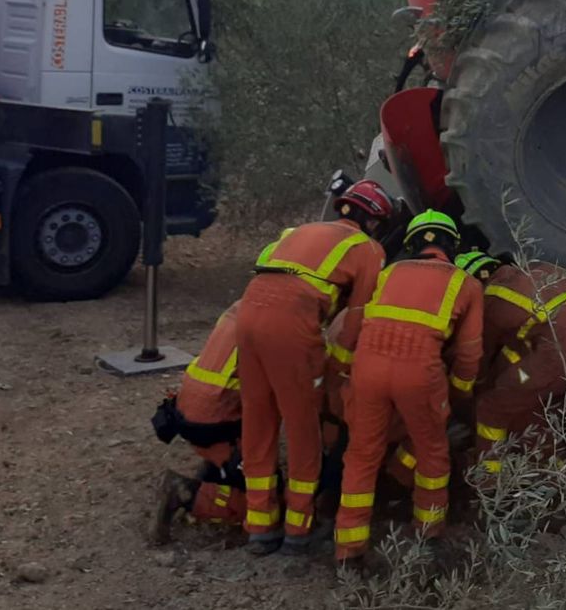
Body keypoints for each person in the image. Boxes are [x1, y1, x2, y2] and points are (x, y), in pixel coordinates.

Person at [235, 180, 399, 555]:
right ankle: (298, 530)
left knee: (257, 417)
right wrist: (337, 368)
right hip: (290, 319)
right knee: (302, 423)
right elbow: (357, 315)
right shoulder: (367, 249)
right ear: (373, 222)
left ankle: (259, 528)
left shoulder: (300, 230)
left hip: (249, 308)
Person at [334, 211, 485, 564]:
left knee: (361, 455)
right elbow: (469, 353)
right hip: (420, 371)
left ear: (413, 245)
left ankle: (348, 550)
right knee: (432, 452)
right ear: (452, 246)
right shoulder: (467, 284)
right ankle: (427, 538)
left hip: (367, 366)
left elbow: (358, 319)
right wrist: (459, 393)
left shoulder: (390, 273)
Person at [459, 253, 566, 489]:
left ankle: (490, 482)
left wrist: (471, 387)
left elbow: (481, 351)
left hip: (559, 356)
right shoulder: (541, 269)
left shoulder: (493, 296)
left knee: (492, 406)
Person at [148, 301, 246, 544]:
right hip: (215, 417)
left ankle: (212, 471)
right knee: (256, 501)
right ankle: (187, 494)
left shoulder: (243, 307)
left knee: (231, 458)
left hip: (192, 405)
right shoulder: (284, 322)